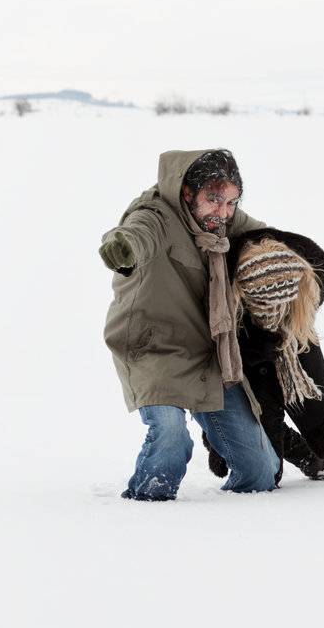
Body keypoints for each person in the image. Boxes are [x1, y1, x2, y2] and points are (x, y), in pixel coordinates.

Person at [100, 149, 281, 500]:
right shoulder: (153, 216)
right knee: (170, 438)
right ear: (187, 192)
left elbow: (268, 238)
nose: (224, 212)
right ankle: (147, 504)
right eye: (214, 200)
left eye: (231, 202)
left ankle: (237, 517)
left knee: (261, 473)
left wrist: (290, 258)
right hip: (155, 348)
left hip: (209, 354)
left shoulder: (222, 220)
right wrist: (121, 248)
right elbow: (135, 236)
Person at [200, 227, 324, 481]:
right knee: (266, 458)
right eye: (265, 305)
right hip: (244, 368)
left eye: (281, 305)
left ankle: (318, 462)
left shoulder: (295, 316)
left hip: (283, 357)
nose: (273, 311)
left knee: (273, 447)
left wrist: (277, 336)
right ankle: (312, 460)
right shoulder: (227, 312)